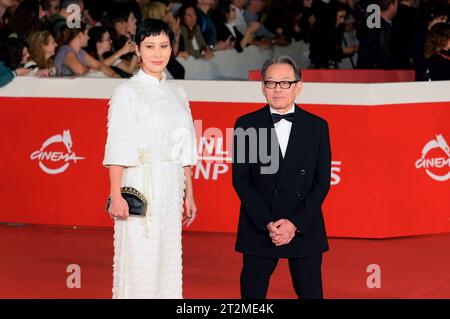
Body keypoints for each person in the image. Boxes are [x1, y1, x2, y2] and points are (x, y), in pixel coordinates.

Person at [103, 18, 198, 299]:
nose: (158, 53)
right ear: (138, 49)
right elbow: (118, 144)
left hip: (171, 186)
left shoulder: (178, 93)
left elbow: (185, 148)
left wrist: (189, 193)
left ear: (172, 47)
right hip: (140, 184)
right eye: (150, 46)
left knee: (167, 260)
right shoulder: (127, 92)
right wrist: (115, 194)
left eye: (164, 46)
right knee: (140, 260)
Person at [232, 55, 331, 299]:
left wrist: (294, 223)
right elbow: (242, 180)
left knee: (311, 294)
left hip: (304, 225)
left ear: (299, 87)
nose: (278, 89)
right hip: (259, 226)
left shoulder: (317, 126)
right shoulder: (247, 124)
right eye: (271, 83)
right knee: (252, 297)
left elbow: (322, 182)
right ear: (262, 87)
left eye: (285, 83)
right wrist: (267, 222)